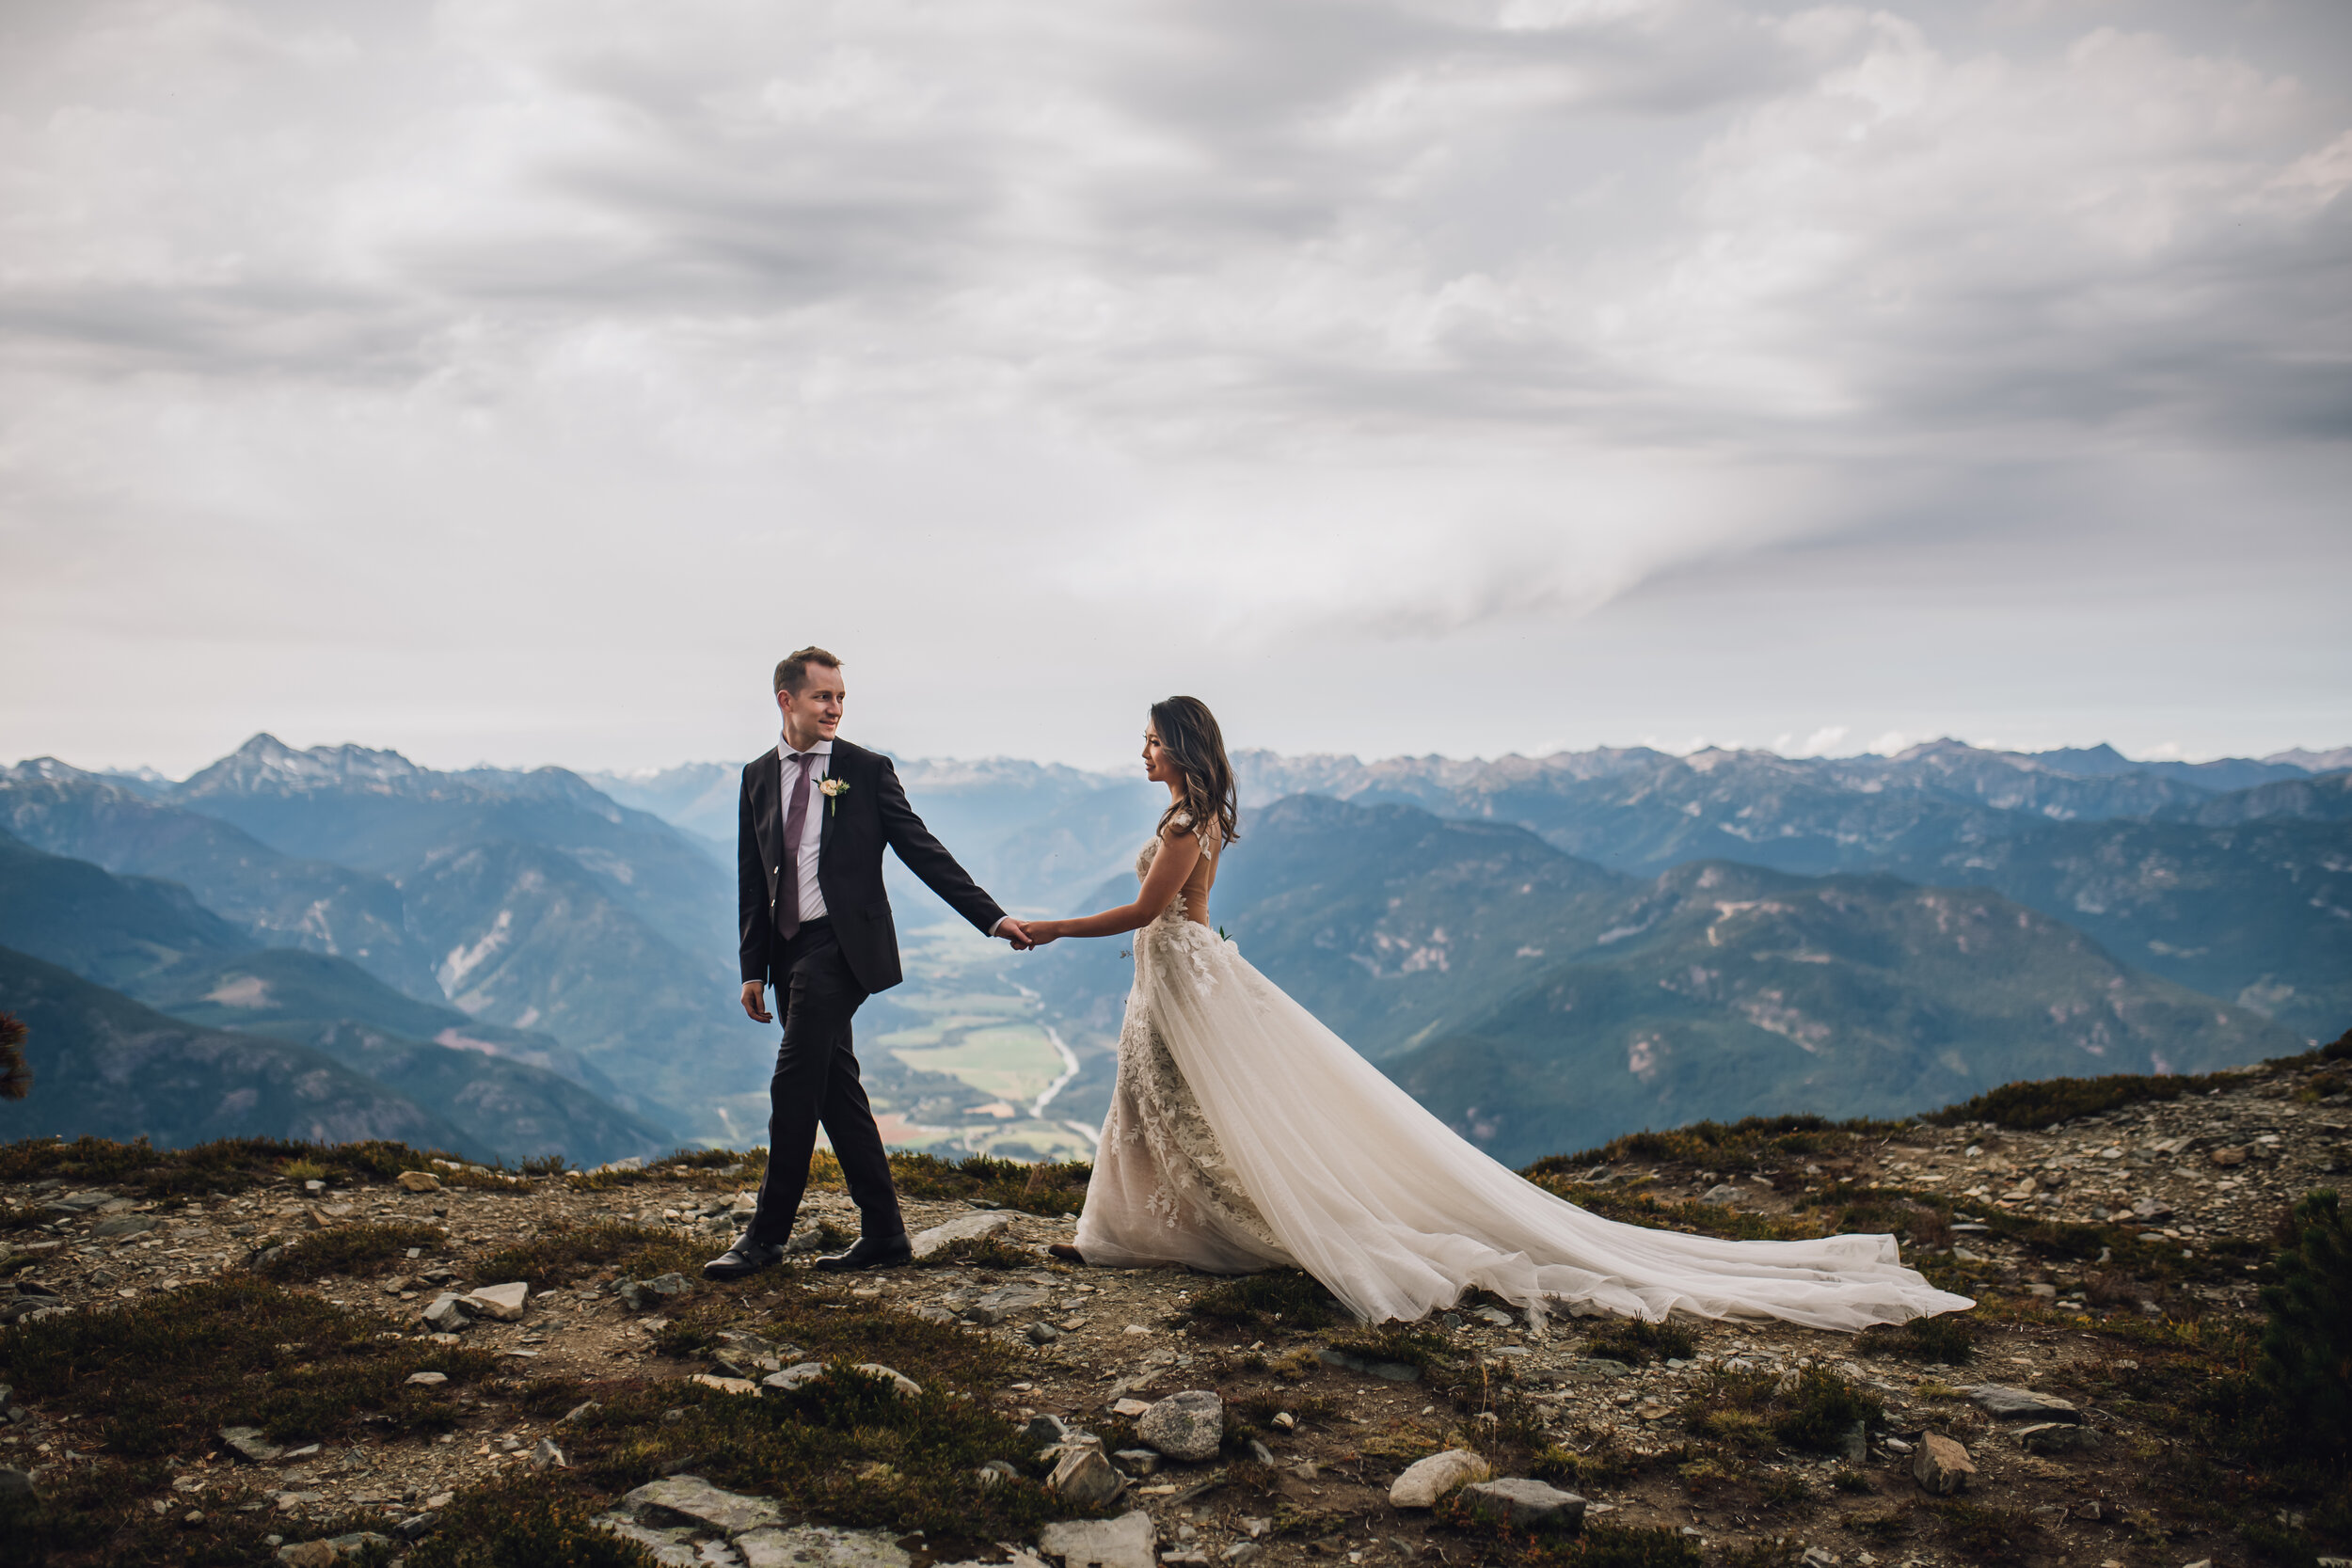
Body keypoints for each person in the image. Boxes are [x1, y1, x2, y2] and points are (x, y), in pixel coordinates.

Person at [1016, 696, 1973, 1331]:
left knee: (1156, 1102)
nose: (1137, 750)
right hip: (1183, 972)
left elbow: (1150, 912)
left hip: (1180, 972)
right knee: (1147, 1104)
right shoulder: (1194, 816)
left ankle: (1160, 1231)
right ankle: (1126, 1230)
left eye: (1147, 738)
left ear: (1176, 745)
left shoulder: (1188, 824)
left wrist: (1054, 925)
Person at [705, 647, 1033, 1281]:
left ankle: (764, 1239)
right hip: (788, 952)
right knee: (835, 1091)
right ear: (786, 700)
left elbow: (922, 849)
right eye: (824, 696)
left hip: (843, 950)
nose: (836, 708)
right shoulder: (755, 776)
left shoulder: (865, 769)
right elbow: (754, 880)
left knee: (793, 1080)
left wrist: (991, 918)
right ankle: (884, 1232)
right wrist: (752, 968)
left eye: (841, 697)